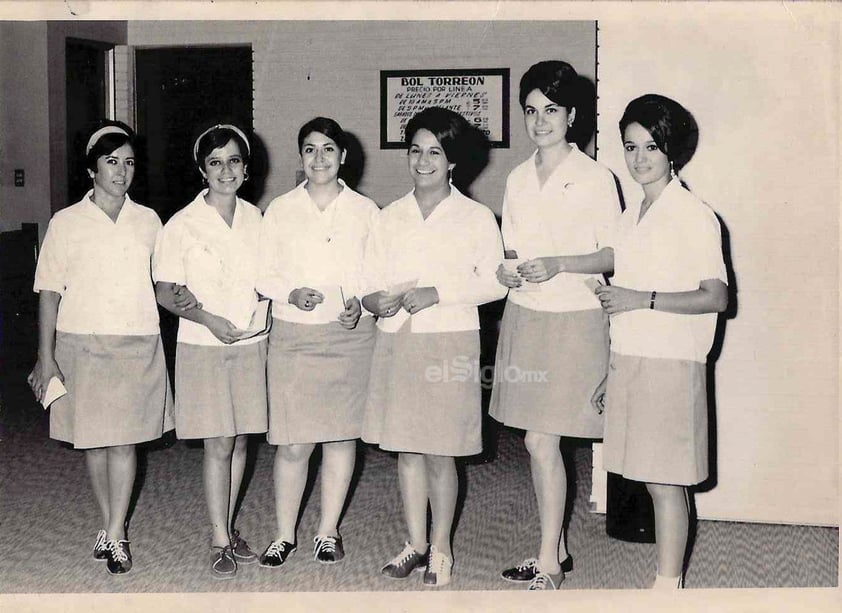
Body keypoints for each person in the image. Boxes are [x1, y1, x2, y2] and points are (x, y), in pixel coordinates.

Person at [543, 94, 728, 588]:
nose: (639, 158)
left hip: (670, 362)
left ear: (673, 150)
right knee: (649, 477)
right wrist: (610, 368)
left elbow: (716, 297)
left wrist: (640, 298)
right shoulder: (630, 217)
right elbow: (618, 302)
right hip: (630, 360)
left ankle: (668, 587)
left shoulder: (692, 214)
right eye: (630, 147)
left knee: (666, 483)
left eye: (651, 146)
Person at [488, 60, 621, 591]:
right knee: (533, 441)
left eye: (551, 110)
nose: (540, 120)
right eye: (531, 111)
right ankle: (557, 547)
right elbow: (514, 247)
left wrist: (562, 263)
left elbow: (613, 252)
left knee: (543, 442)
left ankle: (547, 560)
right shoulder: (518, 177)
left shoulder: (595, 177)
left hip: (574, 320)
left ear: (571, 115)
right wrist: (506, 267)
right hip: (527, 314)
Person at [361, 107, 506, 588]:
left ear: (453, 161)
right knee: (407, 451)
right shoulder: (389, 216)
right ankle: (415, 543)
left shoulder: (475, 216)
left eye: (435, 152)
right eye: (415, 151)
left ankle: (441, 548)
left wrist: (438, 292)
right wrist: (373, 300)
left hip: (448, 340)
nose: (423, 161)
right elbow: (367, 283)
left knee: (442, 453)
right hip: (398, 340)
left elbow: (494, 284)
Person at [28, 121, 174, 576]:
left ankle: (116, 533)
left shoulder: (149, 220)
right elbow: (49, 292)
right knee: (93, 443)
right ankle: (110, 525)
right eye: (112, 161)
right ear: (92, 167)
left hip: (136, 342)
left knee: (125, 442)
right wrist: (45, 355)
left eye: (129, 162)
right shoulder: (66, 222)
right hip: (81, 344)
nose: (121, 171)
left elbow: (167, 284)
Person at [256, 117, 379, 570]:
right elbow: (262, 271)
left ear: (344, 156)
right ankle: (283, 534)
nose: (320, 158)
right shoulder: (281, 209)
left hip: (349, 338)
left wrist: (361, 306)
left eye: (329, 149)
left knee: (341, 438)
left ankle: (327, 531)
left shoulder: (367, 211)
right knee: (292, 443)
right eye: (310, 149)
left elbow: (375, 275)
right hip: (294, 336)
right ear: (301, 156)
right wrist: (288, 291)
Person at [153, 124, 267, 579]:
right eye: (216, 162)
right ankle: (219, 536)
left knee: (240, 438)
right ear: (202, 169)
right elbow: (165, 292)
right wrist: (207, 318)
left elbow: (270, 279)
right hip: (204, 343)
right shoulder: (180, 224)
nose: (226, 170)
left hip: (251, 342)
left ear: (246, 167)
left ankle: (230, 526)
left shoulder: (258, 218)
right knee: (219, 441)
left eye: (234, 160)